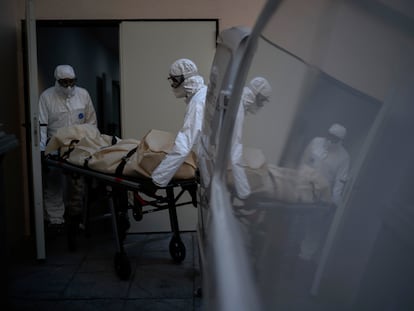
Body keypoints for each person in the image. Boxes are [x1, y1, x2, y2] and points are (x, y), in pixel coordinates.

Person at [39, 64, 97, 231]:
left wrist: (91, 145)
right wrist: (42, 150)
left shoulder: (83, 95)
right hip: (54, 144)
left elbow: (91, 122)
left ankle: (75, 215)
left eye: (72, 82)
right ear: (57, 81)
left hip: (78, 145)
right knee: (53, 183)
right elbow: (41, 125)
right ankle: (56, 220)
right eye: (65, 83)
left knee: (77, 182)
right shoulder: (46, 97)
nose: (69, 86)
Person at [298, 123, 351, 262]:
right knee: (295, 220)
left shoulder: (344, 157)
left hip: (321, 197)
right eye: (329, 137)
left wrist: (334, 201)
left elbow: (340, 181)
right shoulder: (316, 142)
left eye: (334, 139)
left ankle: (304, 257)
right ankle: (287, 248)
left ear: (340, 141)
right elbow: (303, 161)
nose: (329, 141)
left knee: (314, 228)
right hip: (303, 188)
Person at [152, 58, 207, 187]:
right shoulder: (204, 95)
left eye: (175, 81)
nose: (173, 86)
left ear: (185, 80)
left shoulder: (198, 102)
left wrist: (157, 179)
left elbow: (184, 145)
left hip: (211, 170)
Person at [230, 77, 272, 199]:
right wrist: (245, 192)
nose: (262, 105)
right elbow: (234, 153)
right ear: (257, 95)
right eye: (262, 101)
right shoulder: (238, 109)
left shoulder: (238, 103)